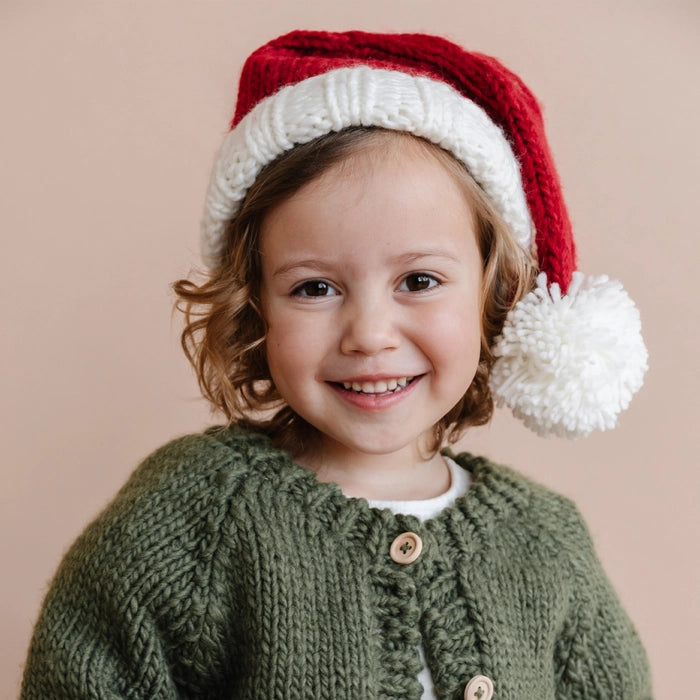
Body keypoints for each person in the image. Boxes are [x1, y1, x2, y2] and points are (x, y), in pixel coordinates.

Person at [21, 30, 652, 699]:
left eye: (419, 281)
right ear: (255, 305)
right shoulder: (193, 518)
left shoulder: (546, 542)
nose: (370, 335)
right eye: (314, 288)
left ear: (493, 296)